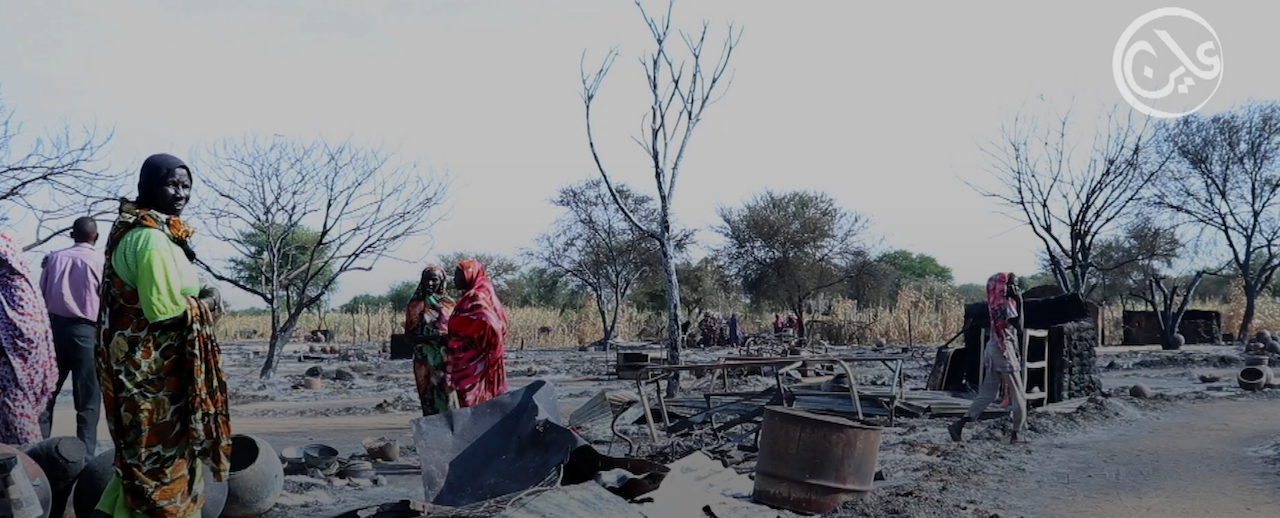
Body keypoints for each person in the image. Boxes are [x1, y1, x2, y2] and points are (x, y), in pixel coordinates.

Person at [95, 153, 231, 518]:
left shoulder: (151, 232)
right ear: (149, 187)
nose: (180, 193)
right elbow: (165, 311)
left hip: (142, 372)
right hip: (152, 379)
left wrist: (204, 291)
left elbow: (187, 280)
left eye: (186, 186)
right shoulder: (151, 240)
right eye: (171, 184)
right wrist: (210, 302)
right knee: (159, 465)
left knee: (138, 462)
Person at [38, 217, 104, 454]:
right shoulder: (100, 262)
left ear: (71, 235)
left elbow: (41, 296)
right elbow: (105, 301)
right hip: (87, 332)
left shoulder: (54, 258)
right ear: (95, 236)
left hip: (54, 331)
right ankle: (85, 458)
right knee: (87, 401)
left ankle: (37, 453)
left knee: (46, 396)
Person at [949, 272, 1028, 444]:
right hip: (1004, 351)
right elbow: (1020, 327)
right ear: (1004, 286)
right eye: (1013, 285)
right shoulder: (1007, 305)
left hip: (993, 348)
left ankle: (959, 425)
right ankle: (1017, 433)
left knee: (988, 394)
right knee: (1019, 394)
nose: (1016, 289)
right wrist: (1020, 300)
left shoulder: (995, 302)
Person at [0, 233, 57, 446]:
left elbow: (27, 335)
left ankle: (34, 475)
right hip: (16, 370)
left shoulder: (15, 287)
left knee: (24, 434)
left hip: (16, 371)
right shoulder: (21, 283)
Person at [445, 259, 509, 408]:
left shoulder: (476, 296)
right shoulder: (480, 293)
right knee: (481, 398)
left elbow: (492, 323)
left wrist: (471, 338)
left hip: (473, 360)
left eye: (458, 275)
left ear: (469, 275)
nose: (454, 279)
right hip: (471, 357)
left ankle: (477, 428)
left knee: (471, 398)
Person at [404, 265, 456, 416]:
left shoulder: (449, 304)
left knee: (448, 398)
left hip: (446, 359)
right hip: (424, 361)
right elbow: (409, 337)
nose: (430, 284)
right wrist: (434, 337)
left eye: (434, 280)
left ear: (442, 281)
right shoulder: (415, 305)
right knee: (428, 399)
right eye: (427, 280)